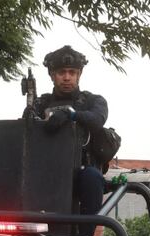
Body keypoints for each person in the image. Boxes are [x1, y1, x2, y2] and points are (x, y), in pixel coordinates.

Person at [33, 45, 113, 221]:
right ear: (53, 75)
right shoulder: (40, 104)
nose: (67, 77)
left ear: (79, 75)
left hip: (80, 174)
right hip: (45, 172)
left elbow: (98, 119)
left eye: (72, 72)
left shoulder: (93, 101)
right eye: (62, 72)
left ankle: (85, 235)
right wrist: (29, 117)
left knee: (92, 177)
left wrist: (72, 115)